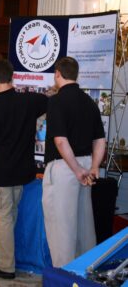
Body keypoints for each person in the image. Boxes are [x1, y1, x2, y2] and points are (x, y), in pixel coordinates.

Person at [0, 59, 47, 279]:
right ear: (12, 77)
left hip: (1, 174)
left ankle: (4, 267)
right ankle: (2, 258)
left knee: (1, 222)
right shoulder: (29, 101)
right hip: (22, 173)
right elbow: (49, 101)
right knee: (9, 218)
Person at [42, 56, 106, 267]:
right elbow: (100, 139)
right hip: (86, 165)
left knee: (61, 229)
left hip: (64, 168)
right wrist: (93, 167)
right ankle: (83, 274)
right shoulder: (90, 102)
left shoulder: (57, 101)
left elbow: (60, 141)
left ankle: (64, 278)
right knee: (82, 227)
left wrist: (77, 169)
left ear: (58, 74)